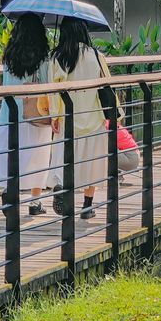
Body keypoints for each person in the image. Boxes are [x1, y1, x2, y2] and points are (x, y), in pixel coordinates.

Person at [0, 12, 52, 216]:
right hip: (34, 114)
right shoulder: (43, 57)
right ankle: (35, 202)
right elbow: (47, 82)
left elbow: (5, 83)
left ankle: (9, 192)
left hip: (8, 113)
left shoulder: (8, 56)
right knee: (38, 156)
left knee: (9, 154)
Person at [47, 16, 108, 219]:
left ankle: (63, 187)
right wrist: (116, 113)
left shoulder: (57, 57)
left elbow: (53, 89)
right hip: (92, 116)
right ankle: (87, 206)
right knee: (92, 162)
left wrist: (54, 116)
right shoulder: (96, 56)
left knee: (65, 158)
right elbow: (106, 85)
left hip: (67, 117)